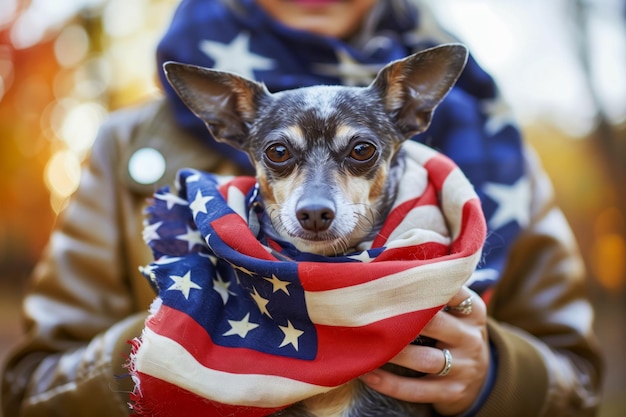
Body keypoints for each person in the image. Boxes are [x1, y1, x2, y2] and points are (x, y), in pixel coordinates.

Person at [1, 0, 603, 416]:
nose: (317, 200)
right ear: (233, 125)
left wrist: (494, 375)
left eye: (359, 153)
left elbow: (581, 384)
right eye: (282, 155)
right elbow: (28, 392)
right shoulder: (126, 143)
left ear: (412, 116)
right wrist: (173, 335)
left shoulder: (496, 143)